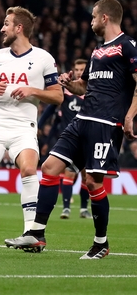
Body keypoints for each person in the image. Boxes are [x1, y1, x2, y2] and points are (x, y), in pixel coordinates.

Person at [5, 0, 137, 259]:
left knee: (91, 181)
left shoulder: (127, 46)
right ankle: (37, 234)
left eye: (93, 17)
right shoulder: (98, 51)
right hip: (82, 120)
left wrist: (132, 114)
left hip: (106, 123)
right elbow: (85, 88)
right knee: (50, 168)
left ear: (105, 18)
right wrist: (68, 83)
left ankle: (101, 243)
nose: (90, 21)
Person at [0, 7, 63, 251]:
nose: (2, 28)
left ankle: (32, 233)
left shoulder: (44, 58)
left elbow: (58, 96)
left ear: (19, 28)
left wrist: (32, 91)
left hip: (24, 126)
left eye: (6, 24)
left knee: (29, 169)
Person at [37, 59, 92, 220]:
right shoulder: (66, 92)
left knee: (86, 176)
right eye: (77, 69)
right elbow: (50, 110)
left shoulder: (91, 92)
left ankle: (83, 209)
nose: (80, 71)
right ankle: (66, 208)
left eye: (83, 69)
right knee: (68, 174)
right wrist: (38, 125)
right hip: (70, 138)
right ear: (73, 71)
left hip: (88, 137)